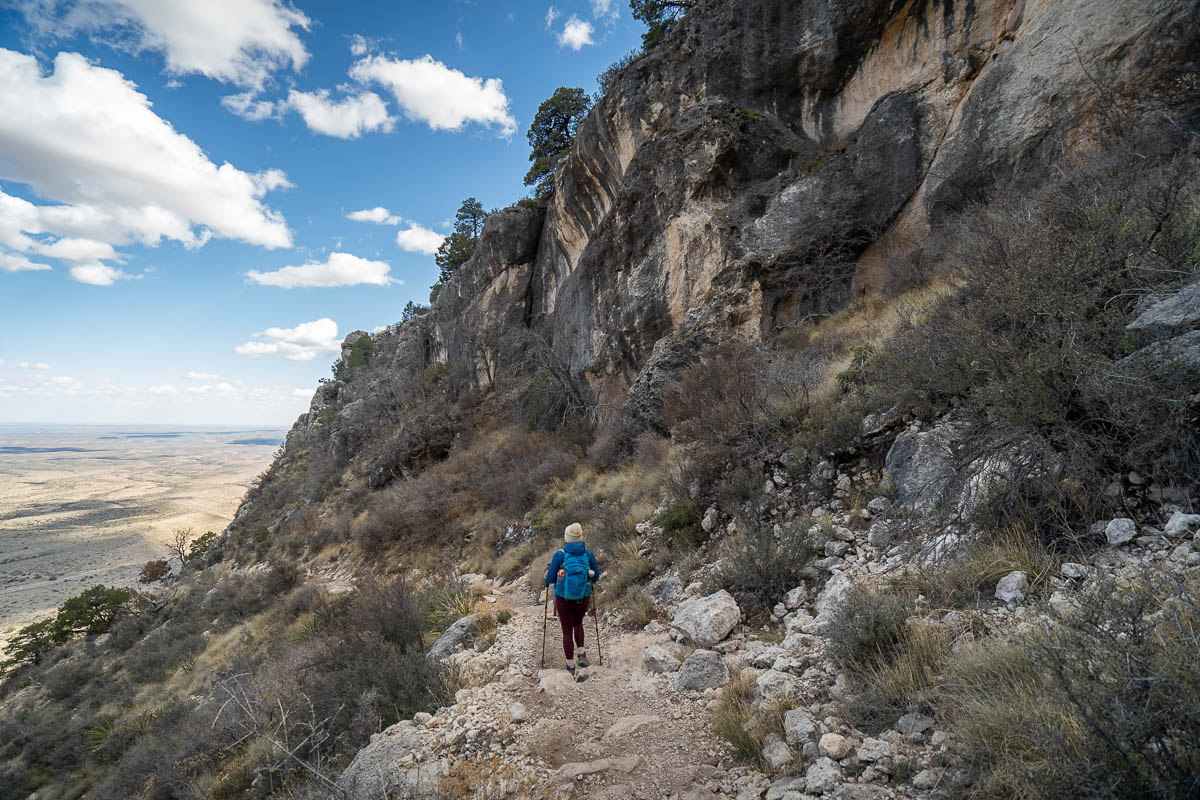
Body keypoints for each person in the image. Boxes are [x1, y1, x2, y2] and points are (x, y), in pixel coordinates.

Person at [544, 522, 600, 677]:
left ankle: (570, 666)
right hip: (584, 596)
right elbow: (596, 576)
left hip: (564, 599)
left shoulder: (560, 555)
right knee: (578, 623)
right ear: (580, 537)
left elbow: (549, 579)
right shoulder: (587, 554)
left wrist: (547, 575)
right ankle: (581, 654)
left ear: (566, 538)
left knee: (566, 631)